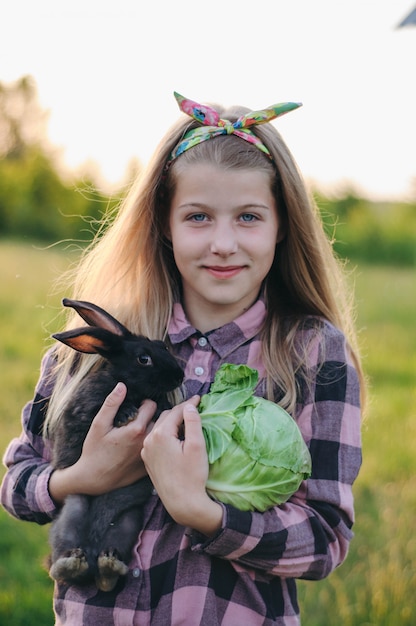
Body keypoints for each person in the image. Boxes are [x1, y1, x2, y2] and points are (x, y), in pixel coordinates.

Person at [1, 91, 363, 625]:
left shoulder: (313, 352)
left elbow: (323, 539)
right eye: (197, 217)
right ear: (163, 224)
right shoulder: (111, 344)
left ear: (282, 225)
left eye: (248, 217)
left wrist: (205, 514)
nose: (222, 243)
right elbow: (16, 483)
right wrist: (79, 477)